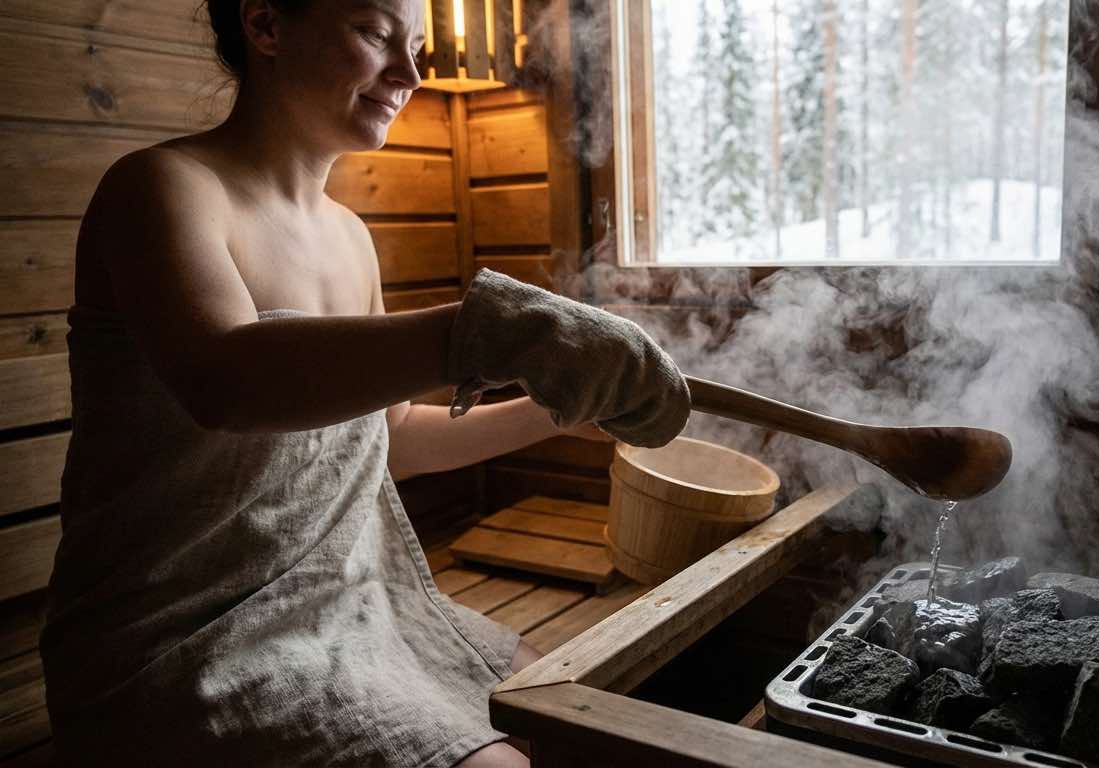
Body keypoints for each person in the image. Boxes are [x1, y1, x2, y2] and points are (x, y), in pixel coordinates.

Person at [37, 0, 690, 765]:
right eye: (378, 35)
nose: (409, 73)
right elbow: (227, 382)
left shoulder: (350, 235)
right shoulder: (162, 188)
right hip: (181, 639)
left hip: (353, 608)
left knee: (575, 715)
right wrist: (490, 330)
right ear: (268, 25)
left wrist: (564, 404)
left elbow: (395, 439)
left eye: (414, 46)